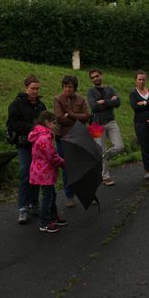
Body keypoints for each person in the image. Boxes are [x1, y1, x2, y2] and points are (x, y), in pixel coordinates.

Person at [7, 74, 47, 224]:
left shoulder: (41, 105)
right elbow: (12, 124)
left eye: (37, 89)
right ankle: (22, 208)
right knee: (25, 173)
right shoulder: (16, 104)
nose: (35, 91)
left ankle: (34, 204)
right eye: (32, 88)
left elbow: (46, 121)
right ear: (26, 88)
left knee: (37, 174)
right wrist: (32, 128)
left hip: (39, 145)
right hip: (24, 144)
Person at [54, 75, 91, 207]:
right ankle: (70, 196)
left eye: (70, 87)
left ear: (75, 88)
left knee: (82, 166)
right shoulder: (58, 99)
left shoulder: (81, 98)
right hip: (63, 138)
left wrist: (70, 115)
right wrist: (77, 118)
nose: (67, 89)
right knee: (67, 168)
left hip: (79, 137)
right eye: (65, 87)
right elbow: (59, 118)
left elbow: (87, 116)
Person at [28, 111, 68, 233]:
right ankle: (45, 222)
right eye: (54, 123)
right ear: (46, 122)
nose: (55, 125)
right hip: (44, 171)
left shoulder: (40, 134)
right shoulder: (45, 137)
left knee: (51, 195)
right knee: (47, 197)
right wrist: (63, 163)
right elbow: (52, 156)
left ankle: (53, 216)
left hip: (42, 170)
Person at [86, 69, 124, 186]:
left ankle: (102, 158)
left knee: (119, 147)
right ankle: (105, 177)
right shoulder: (90, 92)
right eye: (93, 77)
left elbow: (118, 102)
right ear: (91, 80)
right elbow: (94, 106)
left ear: (101, 76)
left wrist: (103, 102)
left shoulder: (110, 89)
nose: (95, 78)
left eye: (97, 76)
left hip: (111, 121)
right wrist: (109, 102)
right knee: (100, 150)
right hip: (96, 124)